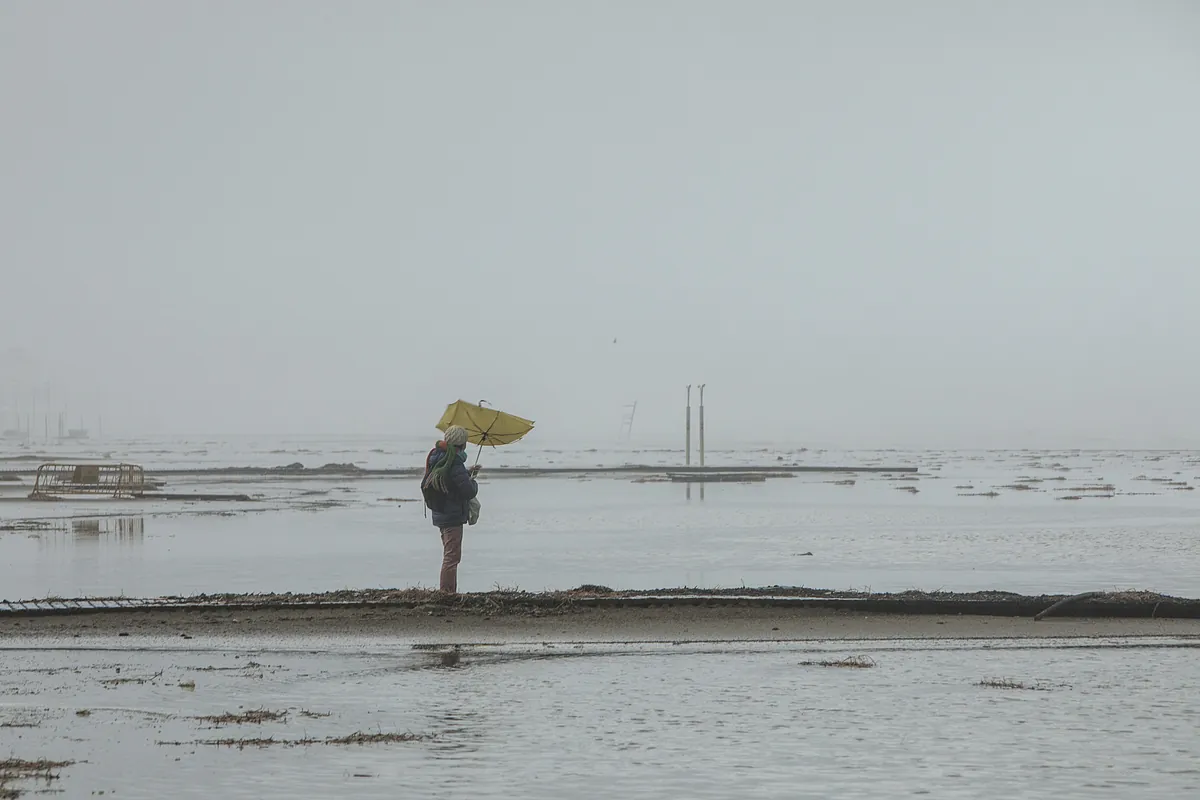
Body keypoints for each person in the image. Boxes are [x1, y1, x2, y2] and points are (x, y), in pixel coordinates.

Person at [422, 425, 480, 593]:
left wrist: (467, 473)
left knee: (450, 555)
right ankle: (447, 593)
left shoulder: (437, 457)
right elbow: (468, 491)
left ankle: (448, 592)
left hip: (440, 512)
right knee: (452, 557)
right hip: (452, 515)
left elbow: (450, 481)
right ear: (461, 444)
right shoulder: (454, 462)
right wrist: (473, 482)